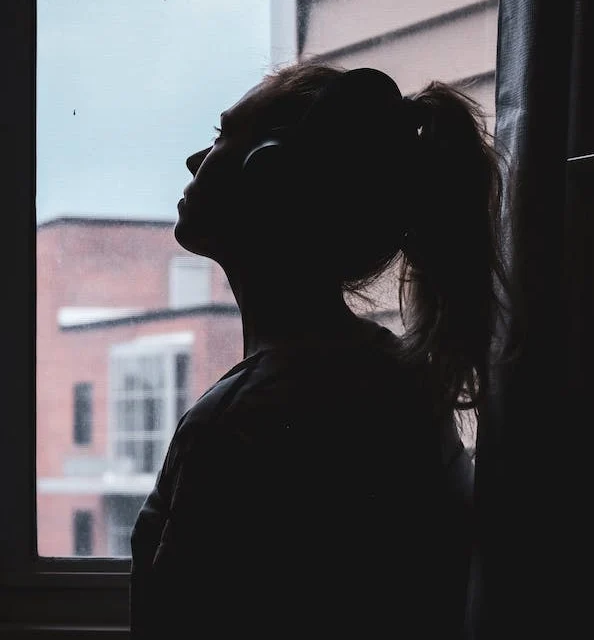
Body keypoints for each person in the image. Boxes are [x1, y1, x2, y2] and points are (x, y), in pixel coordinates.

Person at [129, 63, 508, 639]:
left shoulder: (236, 425)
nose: (193, 160)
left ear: (268, 174)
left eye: (221, 136)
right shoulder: (399, 380)